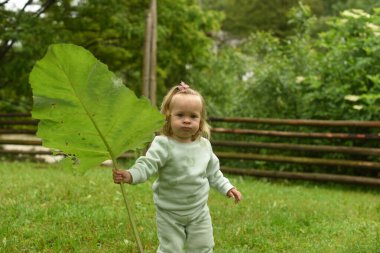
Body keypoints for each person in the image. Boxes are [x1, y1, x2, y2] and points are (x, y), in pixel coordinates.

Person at [113, 82, 242, 253]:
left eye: (193, 116)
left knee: (203, 247)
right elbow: (147, 164)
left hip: (198, 211)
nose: (187, 120)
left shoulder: (204, 146)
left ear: (201, 120)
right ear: (168, 117)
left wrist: (228, 187)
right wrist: (130, 175)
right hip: (169, 212)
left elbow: (214, 173)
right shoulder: (163, 144)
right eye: (180, 115)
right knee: (170, 249)